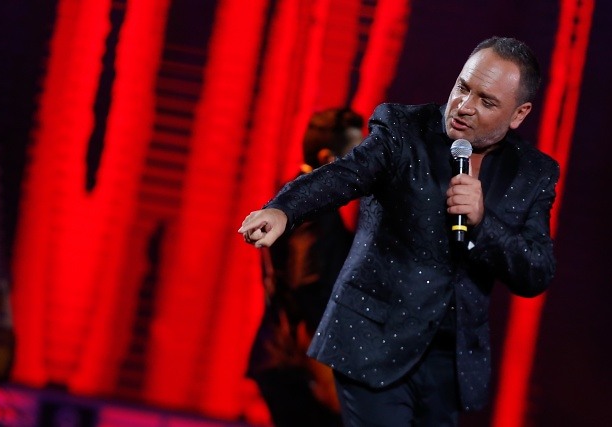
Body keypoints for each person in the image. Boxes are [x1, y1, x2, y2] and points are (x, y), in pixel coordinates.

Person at [239, 36, 559, 426]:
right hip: (372, 341)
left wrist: (483, 222)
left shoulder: (532, 173)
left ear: (519, 113)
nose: (464, 106)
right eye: (463, 87)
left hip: (448, 364)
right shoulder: (404, 129)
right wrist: (284, 210)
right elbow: (344, 175)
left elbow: (536, 270)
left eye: (486, 101)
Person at [246, 108, 364, 427]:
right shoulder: (310, 208)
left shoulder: (301, 198)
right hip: (300, 367)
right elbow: (308, 287)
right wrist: (326, 374)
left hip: (293, 361)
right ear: (328, 159)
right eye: (355, 155)